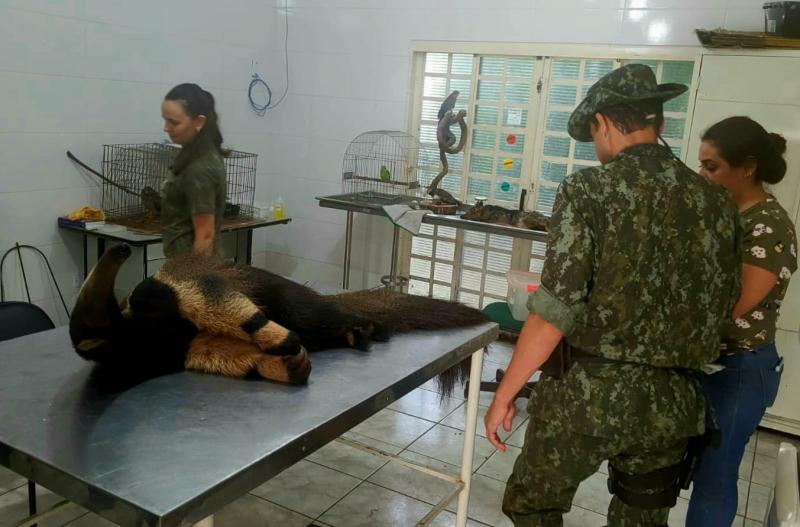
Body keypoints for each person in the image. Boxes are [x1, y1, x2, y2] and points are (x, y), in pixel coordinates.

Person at [483, 64, 741, 526]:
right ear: (658, 123)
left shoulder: (588, 191)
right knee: (641, 521)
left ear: (602, 123)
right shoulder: (716, 201)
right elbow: (726, 301)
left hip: (584, 399)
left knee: (533, 506)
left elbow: (554, 310)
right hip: (672, 405)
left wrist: (508, 390)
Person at [686, 116, 795, 526]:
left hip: (740, 368)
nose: (702, 174)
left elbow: (731, 305)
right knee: (688, 466)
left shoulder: (769, 226)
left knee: (716, 474)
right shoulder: (721, 213)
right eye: (701, 164)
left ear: (747, 167)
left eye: (711, 166)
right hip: (706, 358)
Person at [160, 83, 227, 258]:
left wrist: (194, 282)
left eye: (174, 122)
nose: (166, 128)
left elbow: (205, 237)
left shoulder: (200, 168)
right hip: (181, 263)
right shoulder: (191, 152)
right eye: (165, 119)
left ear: (199, 122)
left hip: (194, 268)